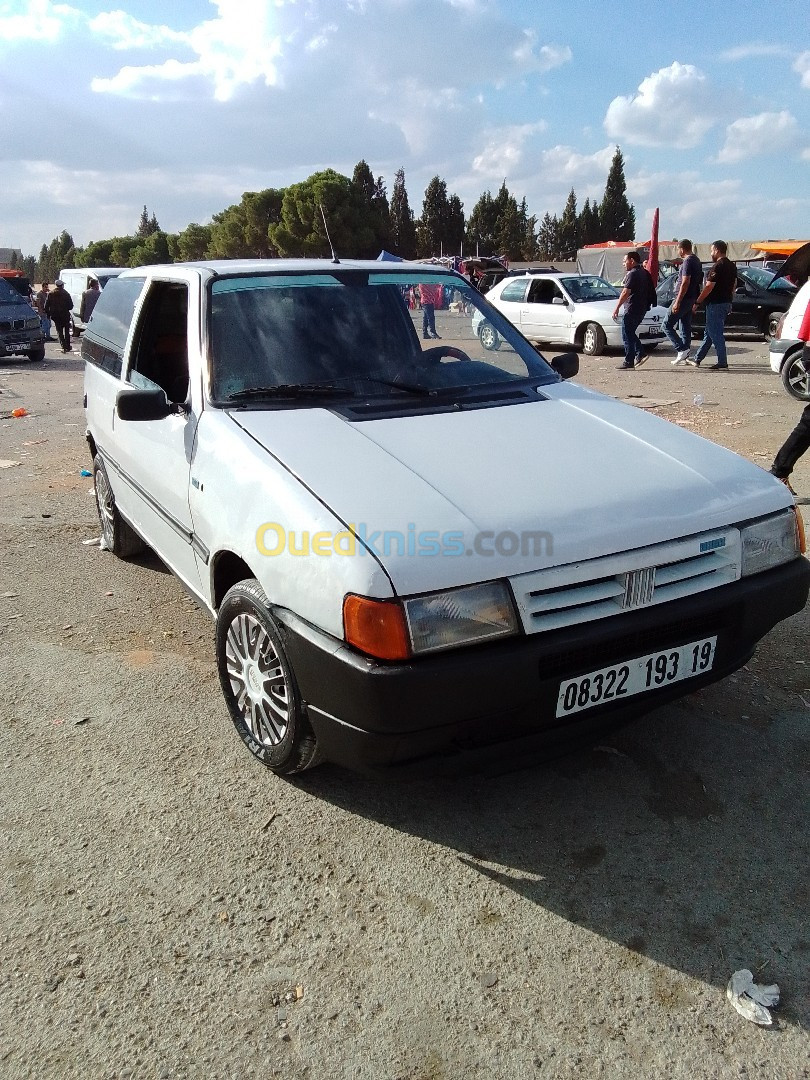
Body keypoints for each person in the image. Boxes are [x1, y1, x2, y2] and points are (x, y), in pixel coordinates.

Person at [688, 240, 736, 370]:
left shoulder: (718, 266)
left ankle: (722, 362)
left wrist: (698, 301)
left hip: (715, 303)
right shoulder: (732, 266)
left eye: (711, 250)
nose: (711, 253)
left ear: (717, 250)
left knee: (716, 333)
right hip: (725, 302)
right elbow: (734, 285)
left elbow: (709, 286)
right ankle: (698, 358)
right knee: (709, 332)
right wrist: (730, 300)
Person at [665, 239, 703, 365]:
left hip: (684, 298)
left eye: (678, 249)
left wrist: (678, 301)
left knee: (666, 325)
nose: (678, 252)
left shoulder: (687, 261)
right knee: (685, 326)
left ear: (682, 249)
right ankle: (685, 356)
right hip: (691, 297)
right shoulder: (697, 261)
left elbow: (685, 281)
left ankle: (681, 349)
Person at [612, 250, 650, 369]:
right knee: (630, 332)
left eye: (625, 261)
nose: (624, 264)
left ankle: (629, 361)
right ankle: (641, 353)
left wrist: (616, 307)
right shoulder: (643, 272)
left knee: (626, 333)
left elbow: (625, 292)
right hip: (641, 308)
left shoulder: (633, 274)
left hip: (633, 308)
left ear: (632, 261)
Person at [44, 280, 74, 353]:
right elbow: (70, 306)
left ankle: (63, 345)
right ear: (62, 285)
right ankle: (67, 345)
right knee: (67, 331)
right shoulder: (66, 294)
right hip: (65, 315)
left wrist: (49, 314)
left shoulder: (51, 294)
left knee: (59, 331)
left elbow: (46, 306)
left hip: (55, 316)